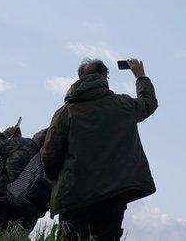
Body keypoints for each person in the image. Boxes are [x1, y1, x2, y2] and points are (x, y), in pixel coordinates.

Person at [41, 58, 158, 240]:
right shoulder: (124, 105)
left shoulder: (66, 112)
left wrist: (58, 179)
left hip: (74, 195)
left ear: (80, 78)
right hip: (114, 193)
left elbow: (50, 156)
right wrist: (140, 77)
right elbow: (148, 103)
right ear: (105, 77)